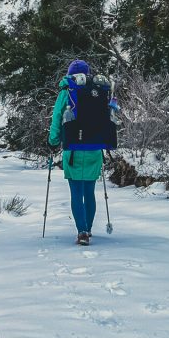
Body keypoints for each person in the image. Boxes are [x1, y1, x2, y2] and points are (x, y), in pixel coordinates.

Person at [48, 59, 116, 246]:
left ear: (70, 73)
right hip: (95, 148)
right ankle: (89, 228)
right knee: (89, 192)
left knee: (76, 192)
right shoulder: (98, 89)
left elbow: (57, 116)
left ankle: (82, 231)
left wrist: (53, 141)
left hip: (73, 150)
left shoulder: (68, 90)